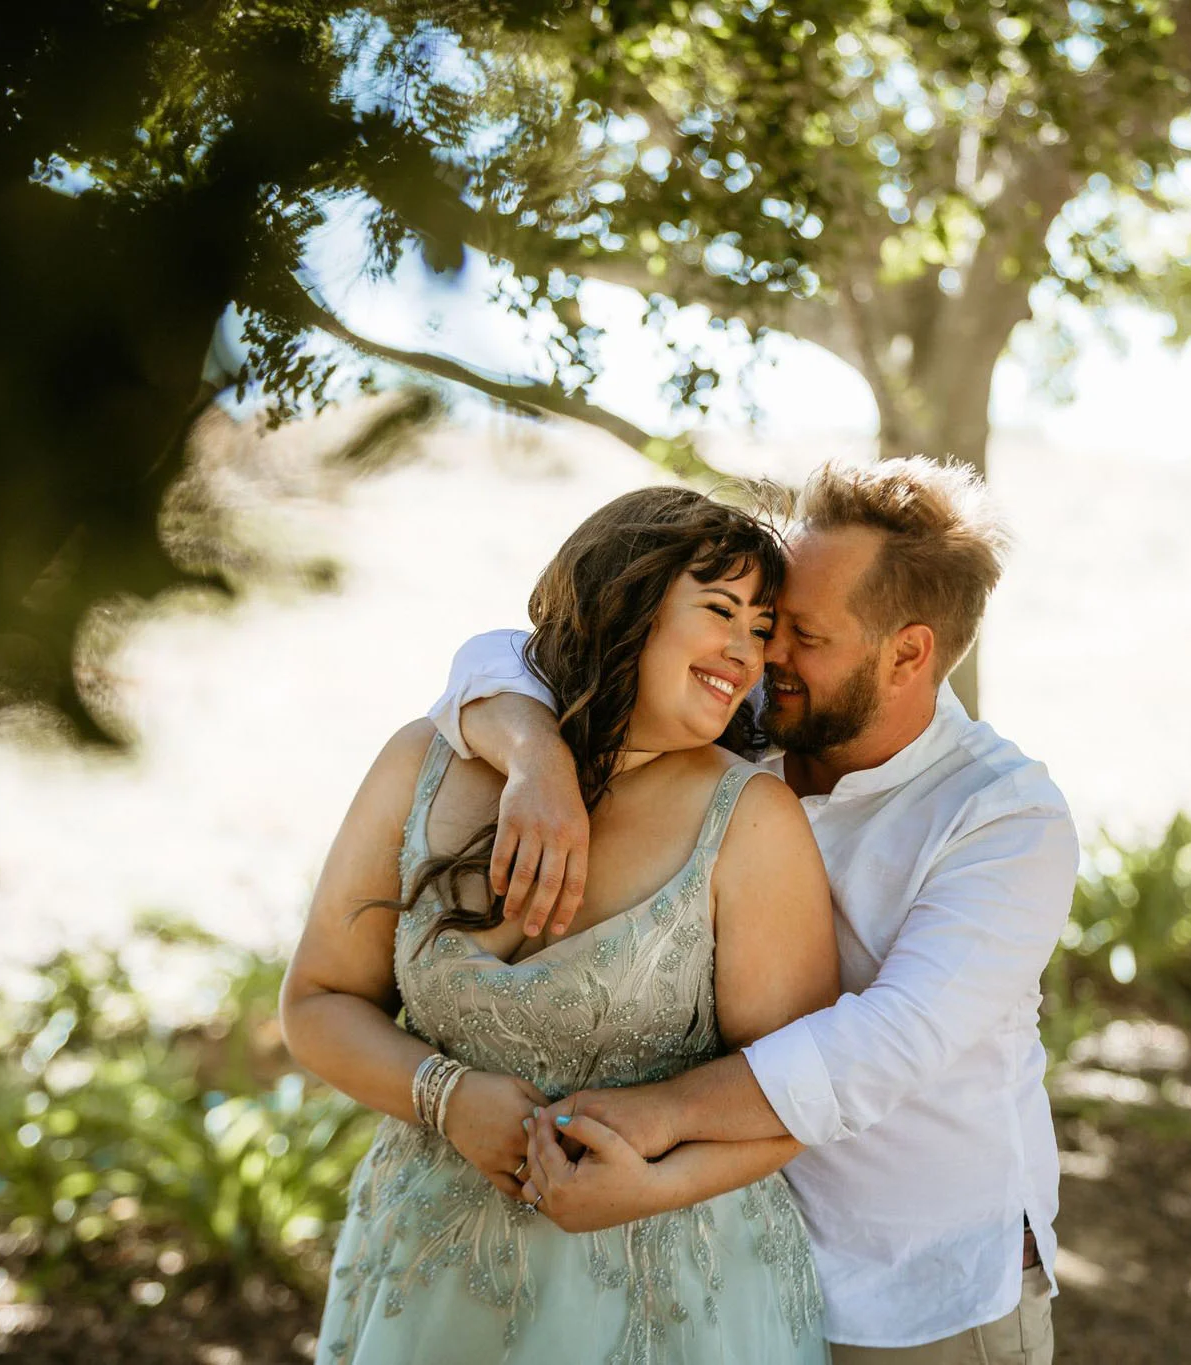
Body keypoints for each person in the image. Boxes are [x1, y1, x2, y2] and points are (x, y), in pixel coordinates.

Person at [432, 457, 1078, 1364]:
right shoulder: (754, 726)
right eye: (768, 621)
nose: (763, 653)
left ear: (908, 652)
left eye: (802, 632)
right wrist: (536, 757)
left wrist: (653, 1116)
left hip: (922, 1299)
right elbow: (505, 652)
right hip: (736, 1270)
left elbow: (880, 1044)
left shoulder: (1006, 819)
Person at [280, 486, 841, 1364]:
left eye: (763, 627)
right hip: (427, 1278)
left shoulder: (752, 820)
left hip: (671, 1297)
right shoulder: (422, 761)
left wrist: (648, 1187)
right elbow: (316, 1001)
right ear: (628, 603)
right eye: (721, 610)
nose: (747, 650)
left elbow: (798, 1092)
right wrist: (445, 1095)